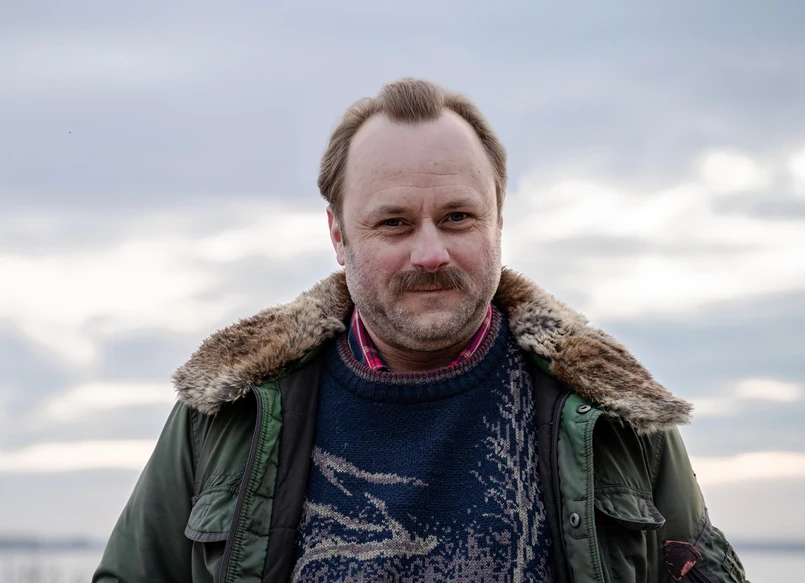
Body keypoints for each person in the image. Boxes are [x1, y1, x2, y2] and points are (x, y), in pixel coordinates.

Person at [94, 78, 748, 583]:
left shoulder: (610, 415)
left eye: (458, 217)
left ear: (498, 222)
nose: (430, 253)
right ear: (338, 236)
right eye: (394, 223)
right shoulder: (229, 409)